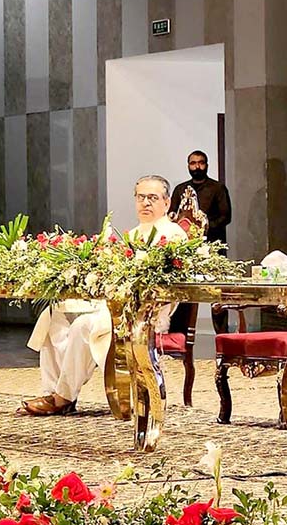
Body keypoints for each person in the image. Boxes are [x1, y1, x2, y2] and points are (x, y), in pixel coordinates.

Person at [20, 175, 187, 416]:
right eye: (141, 197)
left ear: (167, 203)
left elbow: (164, 287)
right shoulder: (134, 234)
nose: (146, 203)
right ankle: (53, 390)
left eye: (152, 198)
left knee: (82, 326)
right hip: (115, 303)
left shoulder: (173, 235)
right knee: (53, 314)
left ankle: (63, 396)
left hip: (145, 313)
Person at [170, 150, 231, 332]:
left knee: (217, 295)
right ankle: (179, 339)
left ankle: (223, 337)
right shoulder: (180, 190)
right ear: (188, 166)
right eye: (193, 163)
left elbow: (225, 217)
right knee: (183, 294)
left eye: (201, 163)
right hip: (186, 253)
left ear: (206, 165)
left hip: (212, 249)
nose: (197, 166)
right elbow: (172, 215)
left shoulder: (217, 188)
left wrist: (202, 229)